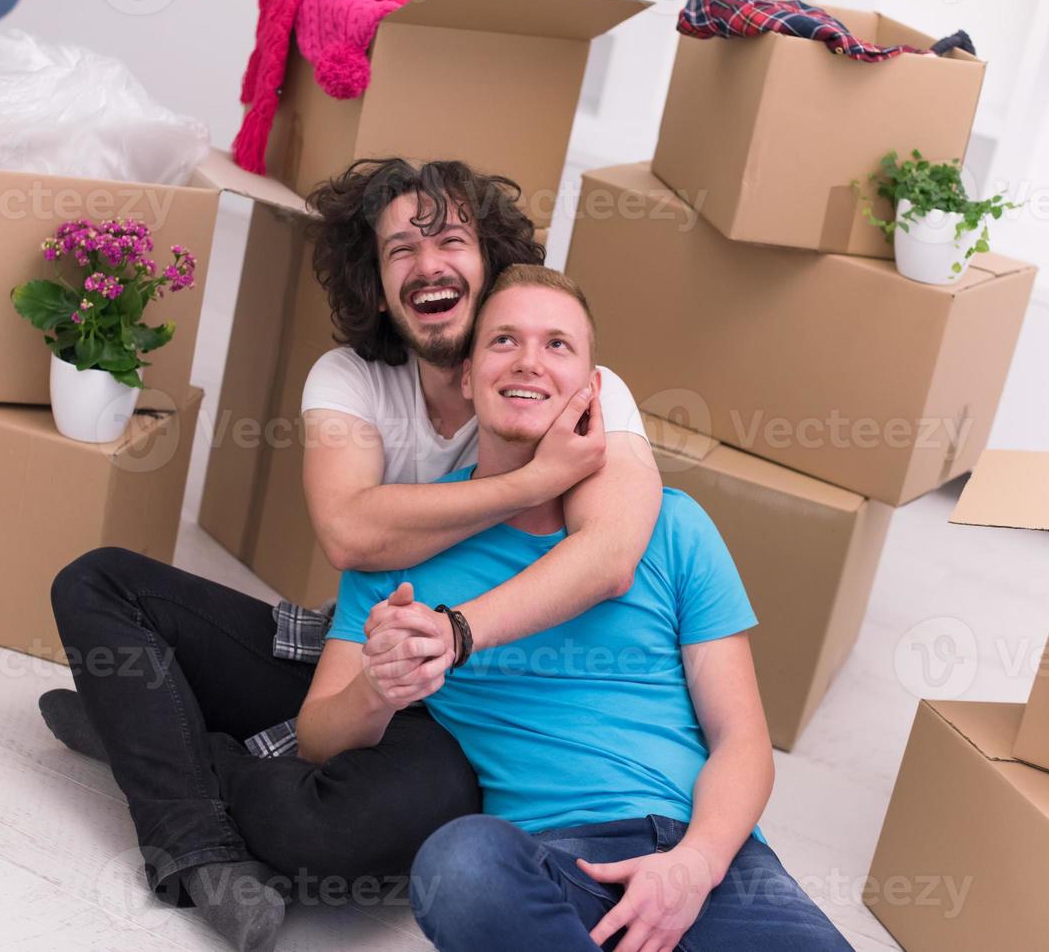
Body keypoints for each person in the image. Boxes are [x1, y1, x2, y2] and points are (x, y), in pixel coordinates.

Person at [41, 159, 664, 950]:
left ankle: (156, 745)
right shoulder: (348, 378)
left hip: (471, 701)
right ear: (373, 284)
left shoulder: (572, 378)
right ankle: (197, 844)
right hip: (350, 651)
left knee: (332, 839)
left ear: (491, 266)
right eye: (399, 249)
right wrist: (533, 481)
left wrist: (456, 631)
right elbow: (349, 532)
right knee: (96, 582)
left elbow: (611, 553)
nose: (427, 263)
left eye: (449, 241)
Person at [300, 264, 852, 951]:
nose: (529, 360)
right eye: (503, 340)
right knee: (456, 865)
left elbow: (742, 741)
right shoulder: (402, 552)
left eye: (557, 344)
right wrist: (376, 690)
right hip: (550, 867)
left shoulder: (672, 528)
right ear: (466, 378)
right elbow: (317, 733)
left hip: (703, 858)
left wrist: (695, 864)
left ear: (591, 391)